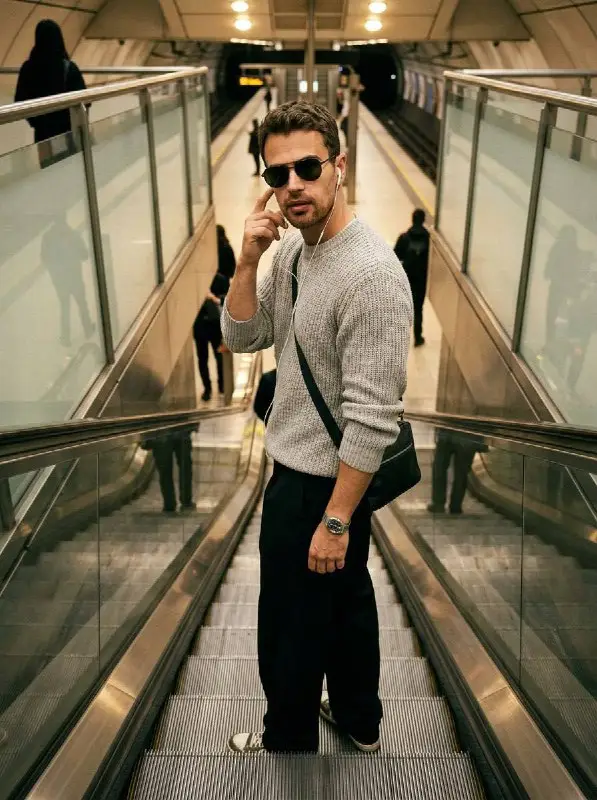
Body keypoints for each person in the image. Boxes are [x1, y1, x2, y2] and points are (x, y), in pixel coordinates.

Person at [221, 101, 412, 754]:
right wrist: (248, 260)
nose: (293, 185)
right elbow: (243, 337)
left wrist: (334, 519)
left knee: (289, 621)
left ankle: (287, 736)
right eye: (277, 175)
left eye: (307, 167)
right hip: (314, 477)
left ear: (340, 165)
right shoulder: (296, 254)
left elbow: (373, 417)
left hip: (320, 488)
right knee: (346, 603)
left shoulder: (371, 276)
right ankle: (359, 720)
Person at [15, 20, 87, 168]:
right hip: (67, 132)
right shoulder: (68, 68)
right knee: (71, 169)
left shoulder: (28, 69)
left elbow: (20, 101)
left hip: (43, 135)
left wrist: (37, 122)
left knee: (49, 172)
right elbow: (86, 100)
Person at [193, 225, 236, 402]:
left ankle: (217, 387)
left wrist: (213, 298)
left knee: (214, 356)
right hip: (203, 323)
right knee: (205, 357)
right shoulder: (197, 280)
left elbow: (227, 299)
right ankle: (212, 387)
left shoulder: (220, 279)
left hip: (213, 322)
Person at [41, 215, 95, 347]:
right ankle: (88, 329)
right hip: (75, 276)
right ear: (65, 219)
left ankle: (65, 337)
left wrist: (54, 271)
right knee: (82, 303)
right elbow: (84, 255)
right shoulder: (73, 235)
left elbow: (44, 258)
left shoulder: (47, 238)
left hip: (59, 280)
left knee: (64, 307)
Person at [427, 429, 486, 515]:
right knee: (461, 472)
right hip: (469, 436)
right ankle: (456, 506)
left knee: (440, 466)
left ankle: (438, 503)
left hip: (448, 431)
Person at [394, 208, 430, 347]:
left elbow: (395, 257)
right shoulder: (429, 240)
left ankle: (400, 337)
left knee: (404, 308)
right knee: (418, 308)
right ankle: (418, 337)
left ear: (412, 219)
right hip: (421, 280)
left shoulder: (404, 238)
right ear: (423, 220)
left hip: (406, 279)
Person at [146, 427, 195, 514]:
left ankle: (169, 504)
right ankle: (186, 500)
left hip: (160, 434)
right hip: (181, 432)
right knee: (185, 468)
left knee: (165, 471)